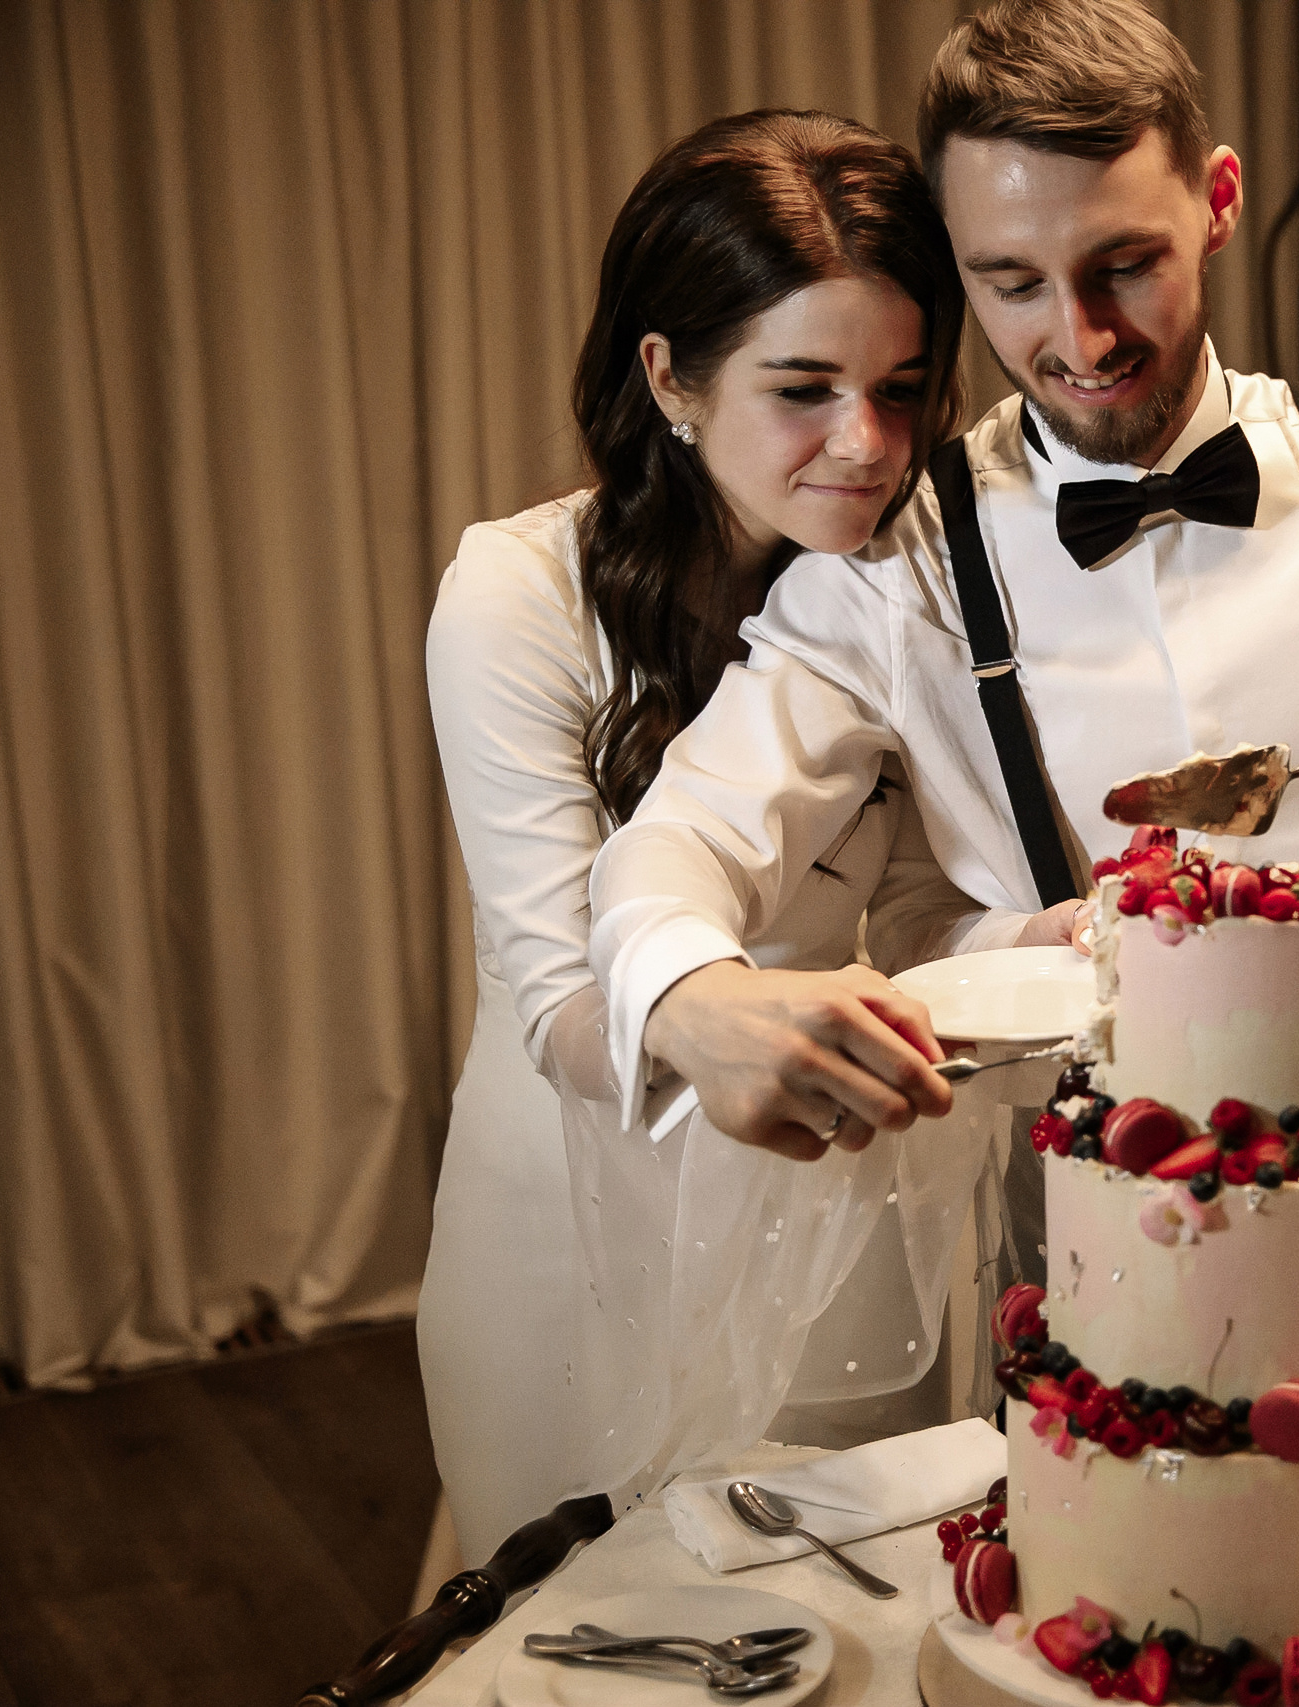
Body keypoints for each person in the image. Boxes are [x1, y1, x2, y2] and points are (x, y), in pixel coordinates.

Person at [590, 0, 1299, 1156]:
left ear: (1217, 203)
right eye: (1012, 284)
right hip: (1068, 1244)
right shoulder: (905, 556)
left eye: (1124, 265)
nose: (1083, 339)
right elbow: (684, 835)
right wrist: (686, 994)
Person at [419, 109, 1061, 1562]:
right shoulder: (516, 594)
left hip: (838, 1219)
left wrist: (1062, 940)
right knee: (581, 1621)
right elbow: (559, 1002)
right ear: (672, 377)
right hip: (567, 1217)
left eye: (904, 387)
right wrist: (706, 1021)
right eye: (805, 386)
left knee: (850, 1616)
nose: (871, 443)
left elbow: (917, 928)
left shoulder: (917, 588)